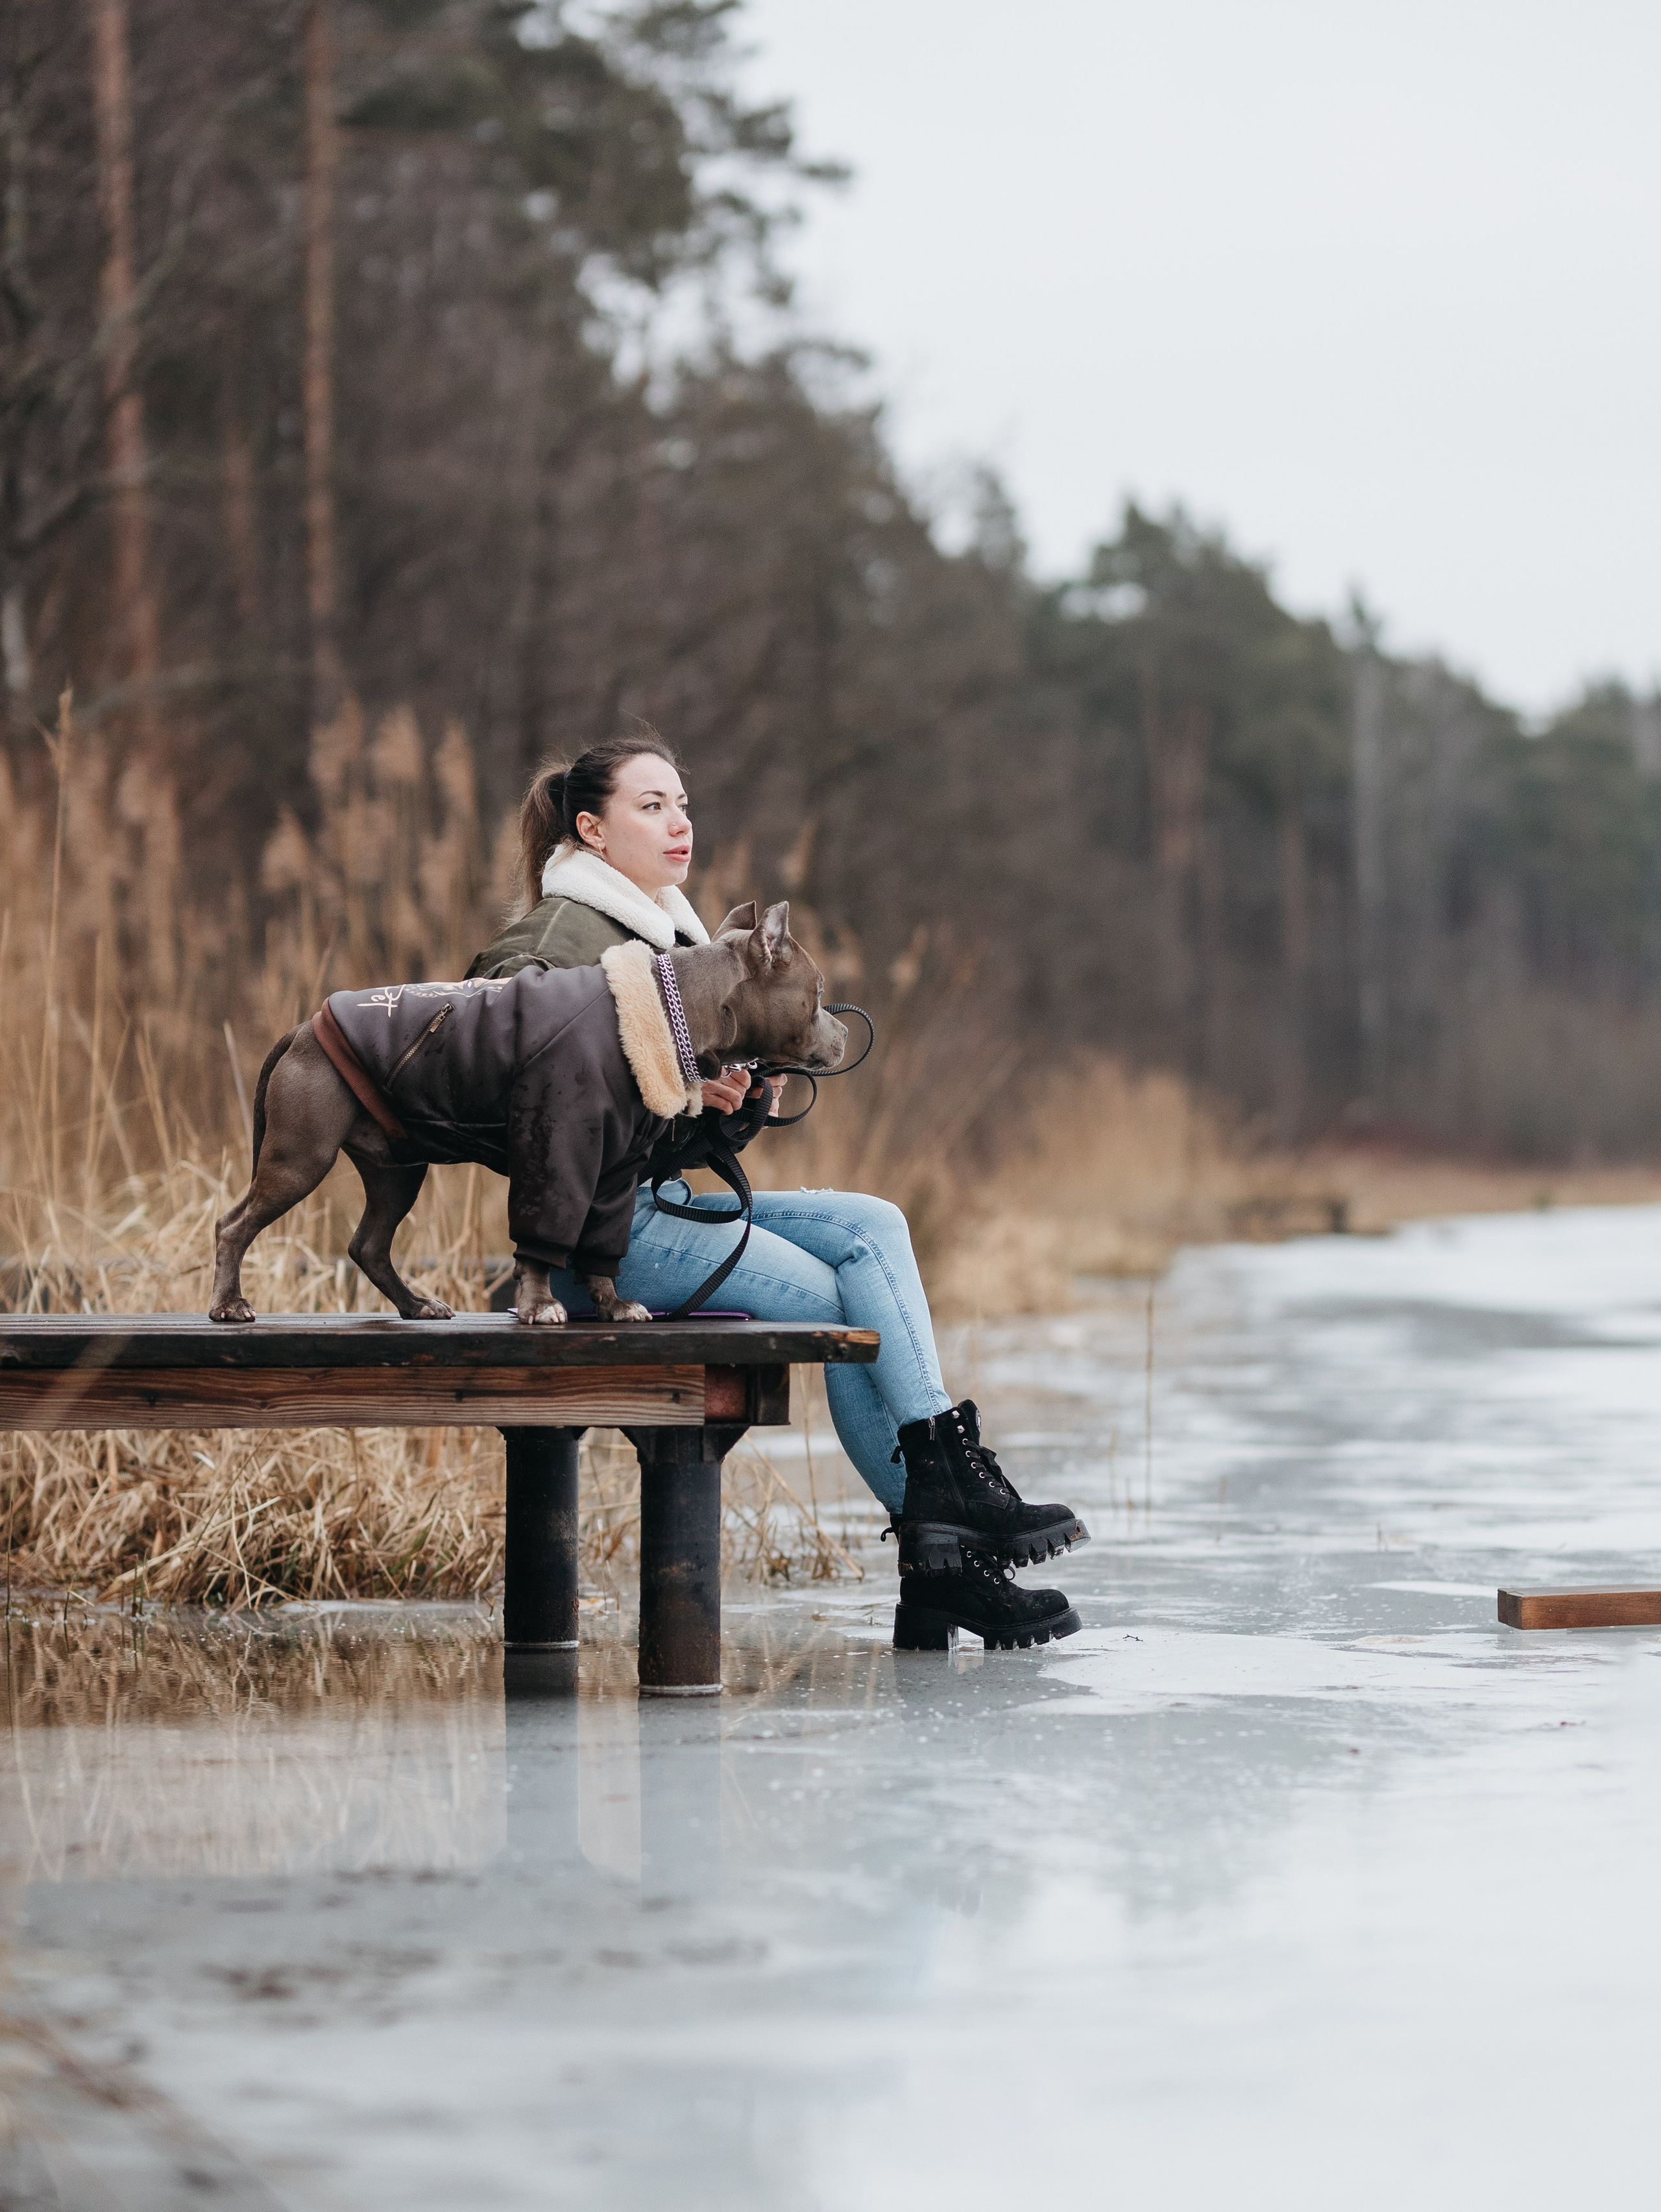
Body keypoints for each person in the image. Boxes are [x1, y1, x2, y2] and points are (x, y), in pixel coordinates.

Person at [468, 734, 1087, 1649]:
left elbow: (661, 1125)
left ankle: (943, 1522)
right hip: (593, 1248)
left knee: (875, 1225)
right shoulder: (555, 940)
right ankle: (946, 1547)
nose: (679, 822)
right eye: (652, 806)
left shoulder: (669, 936)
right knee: (844, 1297)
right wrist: (675, 1078)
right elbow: (505, 1097)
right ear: (592, 830)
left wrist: (729, 1099)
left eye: (682, 803)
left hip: (646, 1208)